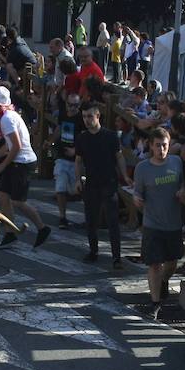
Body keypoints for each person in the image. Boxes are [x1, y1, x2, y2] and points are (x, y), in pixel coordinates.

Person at [0, 86, 51, 248]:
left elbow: (16, 146)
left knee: (18, 201)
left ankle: (42, 228)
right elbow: (8, 146)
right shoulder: (6, 117)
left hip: (22, 162)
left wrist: (2, 166)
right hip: (15, 161)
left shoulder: (7, 119)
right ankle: (10, 234)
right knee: (2, 195)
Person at [133, 127, 185, 320]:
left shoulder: (177, 162)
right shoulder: (143, 168)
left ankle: (164, 281)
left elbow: (183, 184)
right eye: (158, 145)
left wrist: (182, 191)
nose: (162, 149)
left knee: (172, 262)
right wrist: (137, 199)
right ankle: (155, 303)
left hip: (173, 223)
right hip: (152, 223)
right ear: (151, 146)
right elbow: (137, 192)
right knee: (155, 263)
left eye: (165, 145)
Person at [75, 102, 130, 270]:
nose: (87, 120)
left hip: (109, 182)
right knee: (91, 220)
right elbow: (78, 161)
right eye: (84, 116)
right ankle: (93, 251)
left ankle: (116, 257)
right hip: (91, 183)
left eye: (90, 116)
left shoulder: (111, 136)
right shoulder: (82, 138)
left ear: (98, 116)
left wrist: (125, 176)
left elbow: (119, 157)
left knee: (113, 221)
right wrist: (78, 179)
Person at [48, 93, 85, 228]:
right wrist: (50, 141)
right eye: (70, 105)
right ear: (66, 104)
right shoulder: (63, 114)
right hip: (62, 157)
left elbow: (86, 137)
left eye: (76, 105)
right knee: (60, 187)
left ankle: (88, 218)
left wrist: (77, 150)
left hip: (78, 160)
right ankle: (62, 217)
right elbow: (59, 128)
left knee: (78, 190)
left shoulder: (82, 118)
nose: (73, 108)